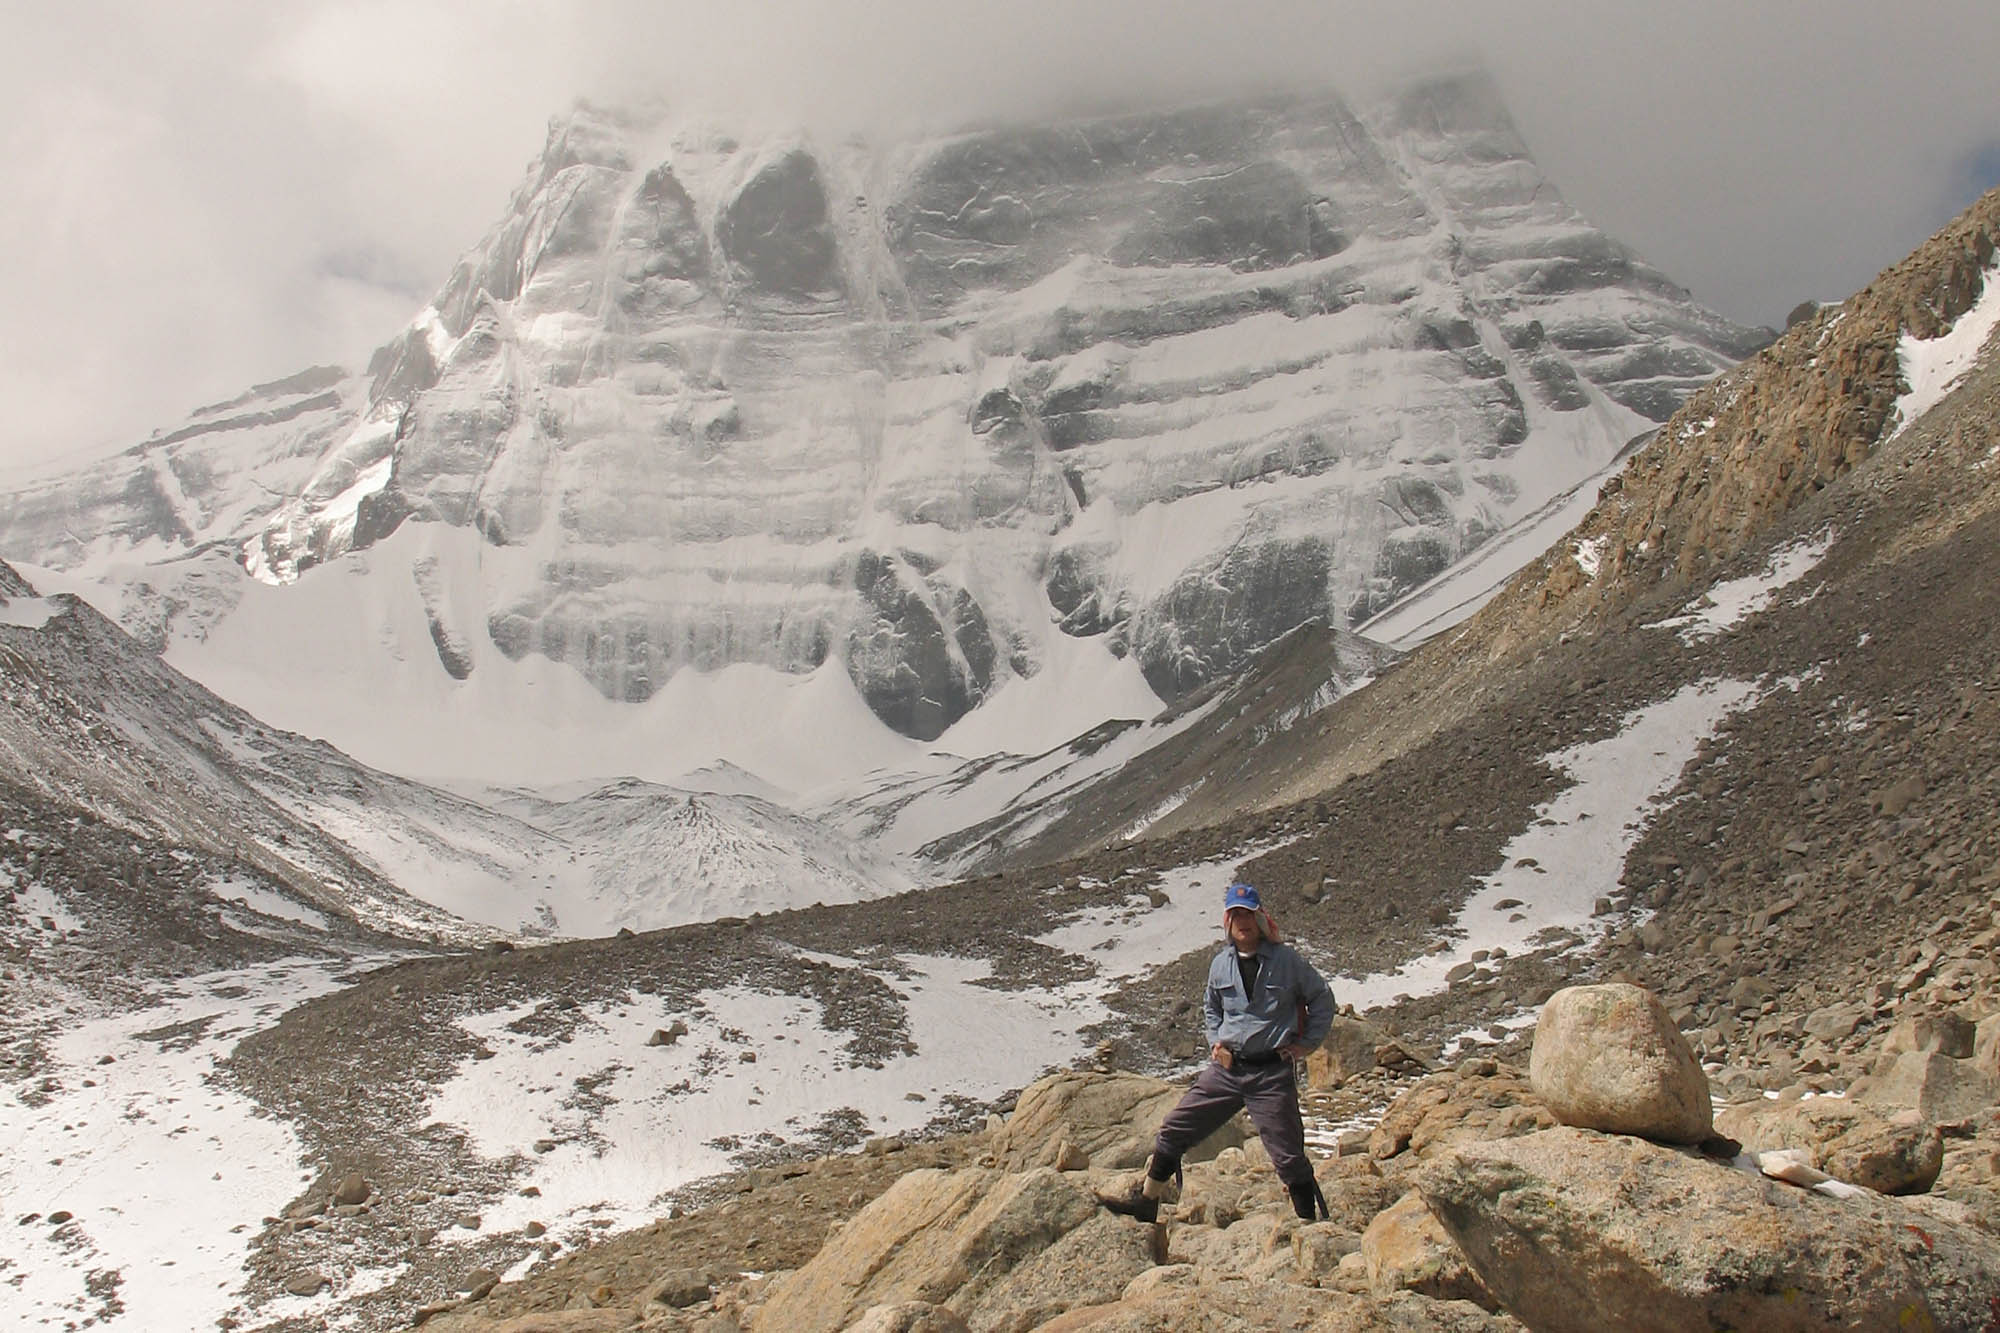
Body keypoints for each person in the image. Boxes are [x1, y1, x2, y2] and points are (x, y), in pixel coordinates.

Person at [1098, 881, 1335, 1223]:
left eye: (1248, 913)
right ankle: (1147, 1202)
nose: (1243, 921)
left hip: (1271, 1072)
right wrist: (1216, 1043)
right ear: (1227, 921)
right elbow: (1212, 1009)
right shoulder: (1220, 964)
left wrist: (1306, 1045)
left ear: (1260, 918)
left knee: (1288, 1157)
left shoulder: (1286, 961)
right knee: (1174, 1130)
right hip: (1228, 1071)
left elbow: (1322, 999)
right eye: (1236, 914)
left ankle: (1310, 1225)